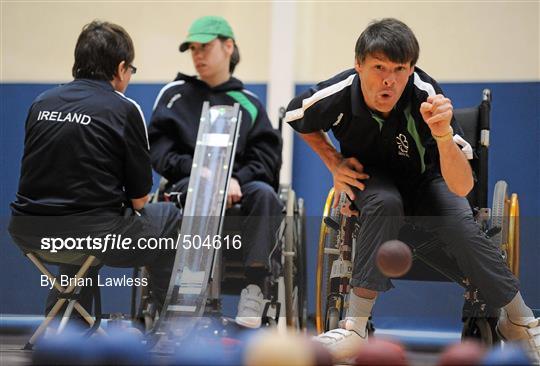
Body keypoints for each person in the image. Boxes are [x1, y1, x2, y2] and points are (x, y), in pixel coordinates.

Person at [285, 18, 539, 363]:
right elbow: (294, 116)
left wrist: (443, 135)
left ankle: (519, 320)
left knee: (461, 224)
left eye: (399, 69)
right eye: (378, 67)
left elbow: (462, 186)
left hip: (428, 181)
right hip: (372, 180)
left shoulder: (426, 95)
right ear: (359, 65)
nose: (388, 79)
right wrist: (333, 162)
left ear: (411, 69)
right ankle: (355, 328)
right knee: (384, 202)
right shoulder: (339, 92)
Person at [8, 20, 182, 317]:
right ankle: (168, 320)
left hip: (27, 231)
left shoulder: (41, 103)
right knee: (168, 217)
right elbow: (140, 200)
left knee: (80, 229)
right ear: (121, 67)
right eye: (131, 70)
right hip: (93, 234)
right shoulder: (125, 109)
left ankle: (67, 326)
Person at [148, 16, 283, 328]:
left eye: (205, 47)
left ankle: (255, 287)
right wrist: (197, 173)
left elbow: (266, 157)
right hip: (188, 183)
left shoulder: (249, 103)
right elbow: (158, 150)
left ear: (228, 47)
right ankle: (179, 292)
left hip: (239, 189)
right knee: (173, 202)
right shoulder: (174, 96)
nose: (197, 55)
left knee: (266, 195)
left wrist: (236, 179)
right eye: (193, 48)